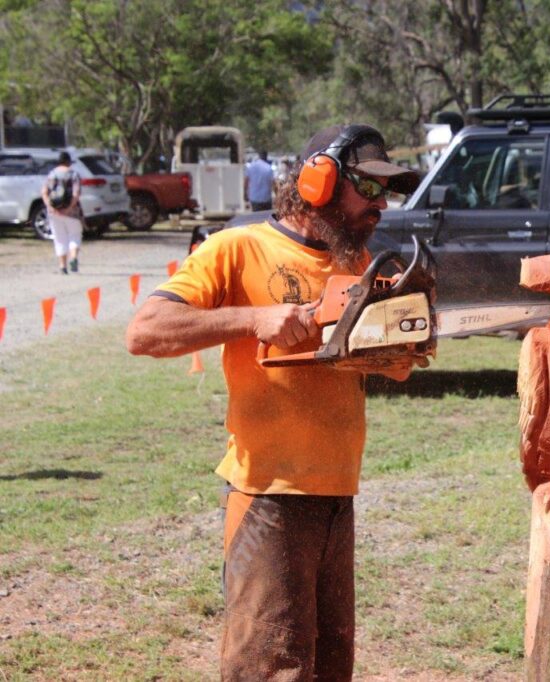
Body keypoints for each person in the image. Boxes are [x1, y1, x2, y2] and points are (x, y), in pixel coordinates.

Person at [125, 124, 420, 680]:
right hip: (269, 498)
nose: (380, 206)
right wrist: (253, 318)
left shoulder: (357, 264)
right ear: (318, 180)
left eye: (387, 192)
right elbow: (145, 331)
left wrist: (399, 347)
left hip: (337, 495)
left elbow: (387, 364)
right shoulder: (238, 248)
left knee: (330, 666)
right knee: (269, 668)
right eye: (369, 188)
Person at [41, 151, 83, 274]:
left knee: (59, 239)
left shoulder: (51, 175)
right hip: (72, 213)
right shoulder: (74, 174)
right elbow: (76, 194)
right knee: (74, 235)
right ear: (68, 162)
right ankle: (74, 258)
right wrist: (69, 208)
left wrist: (50, 206)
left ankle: (62, 266)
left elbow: (44, 192)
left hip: (54, 213)